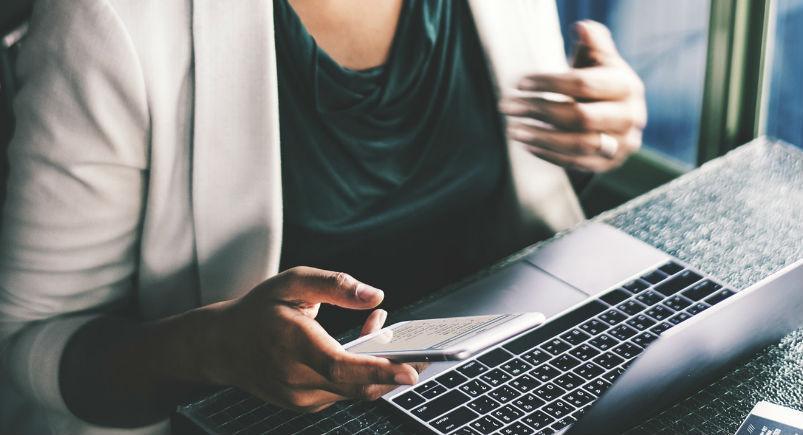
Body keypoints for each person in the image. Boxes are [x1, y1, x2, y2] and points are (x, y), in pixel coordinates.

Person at [0, 0, 646, 433]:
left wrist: (591, 139)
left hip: (514, 381)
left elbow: (492, 189)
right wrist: (209, 349)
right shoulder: (112, 20)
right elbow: (27, 345)